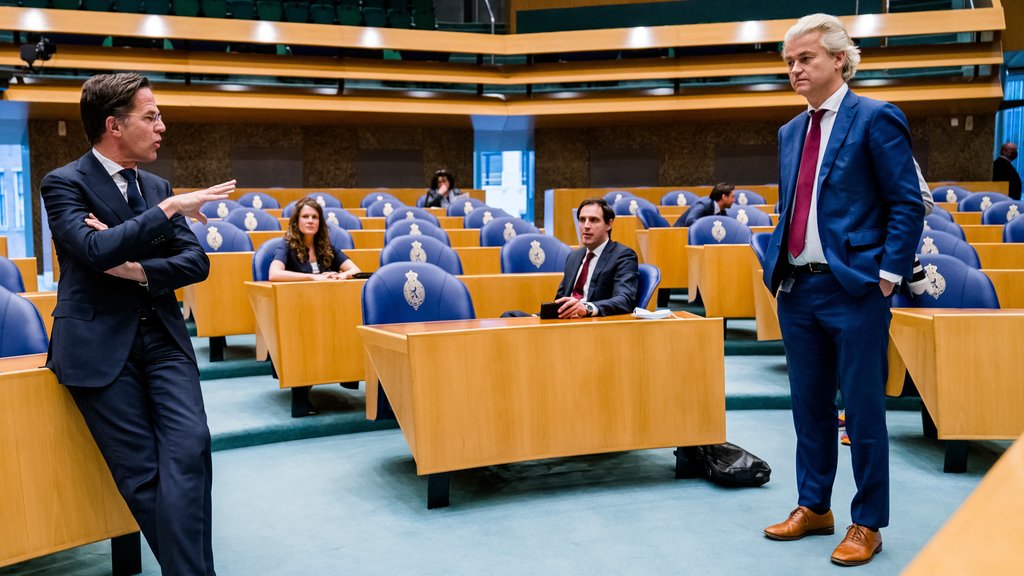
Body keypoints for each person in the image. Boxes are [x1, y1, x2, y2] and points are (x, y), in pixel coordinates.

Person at [41, 73, 236, 576]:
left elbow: (194, 262)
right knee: (143, 473)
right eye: (151, 117)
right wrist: (167, 213)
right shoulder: (64, 183)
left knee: (191, 448)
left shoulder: (155, 185)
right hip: (97, 345)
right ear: (114, 126)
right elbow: (92, 249)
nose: (161, 127)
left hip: (163, 338)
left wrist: (133, 267)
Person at [760, 14, 924, 567]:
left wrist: (887, 275)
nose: (795, 69)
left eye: (805, 58)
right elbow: (794, 206)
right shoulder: (790, 132)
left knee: (862, 412)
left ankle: (867, 523)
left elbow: (906, 203)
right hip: (798, 289)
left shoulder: (876, 118)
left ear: (839, 59)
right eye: (789, 62)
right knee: (809, 409)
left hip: (855, 290)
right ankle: (814, 507)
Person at [554, 198, 639, 318]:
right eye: (582, 220)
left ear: (609, 224)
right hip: (566, 320)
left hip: (595, 323)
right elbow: (559, 301)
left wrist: (587, 308)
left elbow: (624, 300)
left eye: (593, 220)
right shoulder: (573, 256)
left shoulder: (623, 256)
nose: (586, 226)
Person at [268, 196, 361, 281]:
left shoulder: (326, 247)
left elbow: (356, 270)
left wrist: (341, 275)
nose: (310, 221)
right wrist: (312, 277)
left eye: (315, 217)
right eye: (305, 217)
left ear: (319, 223)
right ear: (296, 222)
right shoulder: (286, 245)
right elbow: (274, 274)